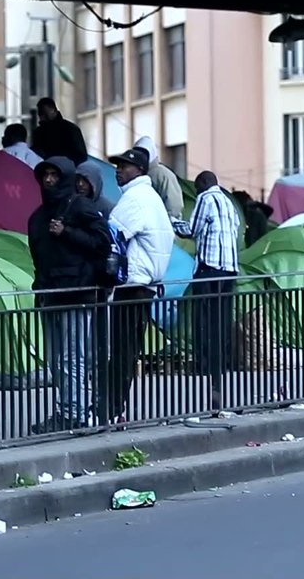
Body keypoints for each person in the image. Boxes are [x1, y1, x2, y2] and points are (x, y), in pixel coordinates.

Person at [27, 156, 110, 433]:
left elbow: (102, 243)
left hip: (77, 294)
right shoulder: (37, 217)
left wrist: (67, 232)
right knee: (55, 359)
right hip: (49, 294)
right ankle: (68, 409)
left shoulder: (80, 207)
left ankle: (74, 412)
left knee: (71, 358)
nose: (49, 180)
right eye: (45, 175)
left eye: (54, 174)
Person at [104, 146, 173, 423]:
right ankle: (115, 407)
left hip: (131, 285)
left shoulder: (135, 198)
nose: (118, 170)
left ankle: (110, 408)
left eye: (124, 166)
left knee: (120, 350)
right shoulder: (151, 197)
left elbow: (112, 233)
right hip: (146, 285)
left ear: (140, 170)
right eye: (117, 165)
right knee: (129, 349)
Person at [172, 171, 241, 409]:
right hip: (230, 268)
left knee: (203, 318)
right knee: (222, 318)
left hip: (209, 267)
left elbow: (192, 230)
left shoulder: (205, 198)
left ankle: (204, 365)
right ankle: (222, 363)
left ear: (202, 184)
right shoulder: (229, 203)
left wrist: (172, 222)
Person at [133, 136, 185, 219]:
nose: (140, 157)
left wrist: (166, 222)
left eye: (143, 153)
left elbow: (174, 206)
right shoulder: (135, 174)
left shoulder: (163, 174)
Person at [30, 98, 88, 166]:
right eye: (40, 114)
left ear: (52, 110)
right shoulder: (38, 133)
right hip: (47, 169)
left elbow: (81, 156)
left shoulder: (70, 129)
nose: (41, 117)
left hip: (65, 169)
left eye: (44, 113)